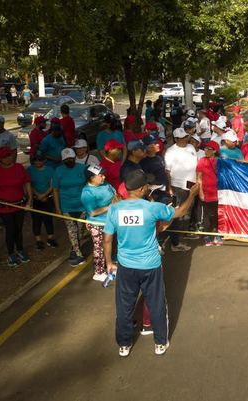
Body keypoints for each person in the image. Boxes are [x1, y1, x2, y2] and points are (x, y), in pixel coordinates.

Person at [103, 169, 200, 357]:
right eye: (147, 185)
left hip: (126, 266)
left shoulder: (115, 209)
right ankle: (160, 342)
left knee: (124, 306)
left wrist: (109, 262)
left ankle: (124, 344)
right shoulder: (152, 208)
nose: (149, 187)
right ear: (141, 189)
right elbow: (179, 212)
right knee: (156, 303)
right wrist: (192, 194)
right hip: (150, 265)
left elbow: (107, 239)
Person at [0, 147, 32, 267]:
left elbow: (27, 183)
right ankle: (11, 254)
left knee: (18, 229)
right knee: (10, 230)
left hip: (19, 205)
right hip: (4, 207)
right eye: (5, 156)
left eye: (9, 155)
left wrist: (29, 200)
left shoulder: (19, 168)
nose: (8, 158)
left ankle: (20, 250)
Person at [81, 164, 117, 281]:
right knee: (99, 247)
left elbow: (115, 195)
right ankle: (99, 271)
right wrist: (109, 207)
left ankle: (110, 264)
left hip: (110, 221)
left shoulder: (105, 184)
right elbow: (92, 213)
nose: (104, 177)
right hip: (97, 224)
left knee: (111, 244)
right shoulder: (87, 192)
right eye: (100, 175)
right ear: (91, 178)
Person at [164, 128, 197, 252]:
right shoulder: (170, 151)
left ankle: (184, 234)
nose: (185, 139)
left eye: (185, 137)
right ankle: (175, 242)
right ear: (176, 139)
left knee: (188, 210)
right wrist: (170, 188)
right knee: (178, 213)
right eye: (182, 137)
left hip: (191, 184)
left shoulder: (191, 148)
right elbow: (167, 172)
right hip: (177, 185)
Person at [52, 148, 87, 266]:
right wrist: (58, 208)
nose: (69, 161)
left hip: (82, 206)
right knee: (72, 231)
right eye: (67, 160)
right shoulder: (58, 171)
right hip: (67, 207)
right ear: (63, 160)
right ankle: (78, 254)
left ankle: (75, 247)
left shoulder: (82, 168)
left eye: (71, 159)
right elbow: (55, 190)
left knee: (81, 230)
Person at [27, 153, 58, 250]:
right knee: (36, 220)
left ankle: (50, 238)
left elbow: (53, 184)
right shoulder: (29, 170)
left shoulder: (50, 170)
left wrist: (45, 195)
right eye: (35, 160)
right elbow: (28, 184)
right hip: (35, 198)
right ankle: (38, 240)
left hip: (47, 197)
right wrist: (37, 195)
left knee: (48, 219)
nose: (37, 162)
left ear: (44, 160)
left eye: (39, 160)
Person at [196, 141, 221, 246]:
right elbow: (199, 178)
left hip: (217, 193)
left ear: (215, 151)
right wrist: (200, 192)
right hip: (206, 193)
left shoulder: (220, 162)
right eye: (205, 149)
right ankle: (206, 236)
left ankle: (216, 234)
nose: (206, 151)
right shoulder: (202, 161)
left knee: (216, 214)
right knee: (206, 215)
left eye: (209, 149)